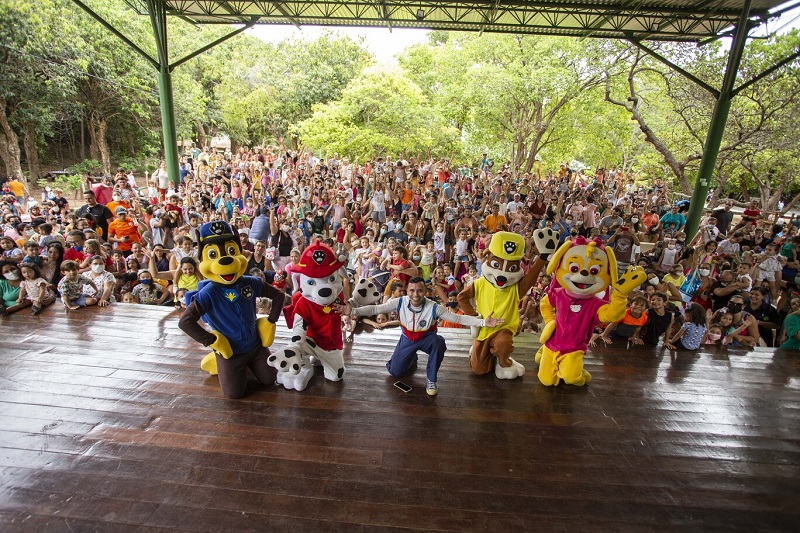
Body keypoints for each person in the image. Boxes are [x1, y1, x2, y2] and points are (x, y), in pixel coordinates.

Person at [339, 276, 504, 396]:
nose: (415, 294)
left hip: (427, 338)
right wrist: (353, 311)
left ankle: (431, 379)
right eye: (412, 290)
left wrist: (482, 322)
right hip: (407, 339)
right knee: (395, 372)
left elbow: (458, 318)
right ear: (407, 291)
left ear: (425, 291)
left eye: (419, 290)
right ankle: (411, 358)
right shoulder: (400, 301)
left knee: (438, 343)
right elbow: (376, 309)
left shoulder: (434, 307)